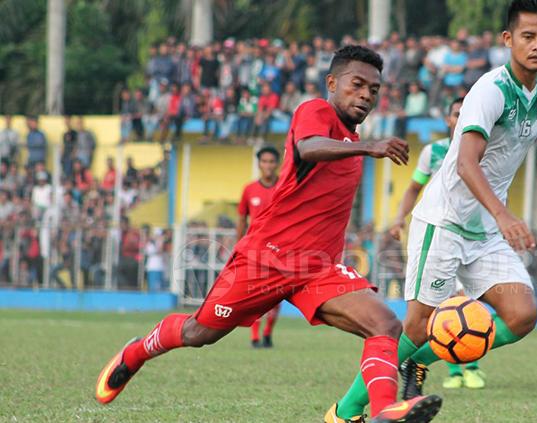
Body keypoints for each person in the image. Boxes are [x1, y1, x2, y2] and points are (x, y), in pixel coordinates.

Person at [96, 45, 442, 423]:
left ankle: (382, 413)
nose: (365, 95)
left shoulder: (351, 141)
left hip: (318, 269)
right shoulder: (315, 111)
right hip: (267, 258)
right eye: (356, 84)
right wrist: (368, 147)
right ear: (331, 83)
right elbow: (307, 148)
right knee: (199, 333)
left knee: (385, 325)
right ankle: (135, 353)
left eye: (373, 90)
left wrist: (361, 147)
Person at [334, 0, 537, 418]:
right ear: (508, 40)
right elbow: (466, 163)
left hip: (484, 230)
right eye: (528, 36)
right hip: (445, 222)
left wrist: (497, 216)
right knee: (415, 327)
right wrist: (504, 215)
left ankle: (420, 360)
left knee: (522, 314)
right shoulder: (491, 91)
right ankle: (344, 413)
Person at [390, 97, 487, 390]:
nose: (460, 119)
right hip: (437, 233)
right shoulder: (433, 153)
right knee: (440, 308)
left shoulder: (486, 149)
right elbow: (413, 188)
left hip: (471, 237)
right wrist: (398, 219)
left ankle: (466, 368)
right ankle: (458, 371)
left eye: (466, 114)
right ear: (448, 120)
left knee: (465, 303)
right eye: (457, 114)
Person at [236, 146, 281, 348]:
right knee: (255, 292)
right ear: (259, 164)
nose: (268, 166)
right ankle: (255, 337)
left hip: (281, 248)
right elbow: (241, 219)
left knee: (277, 293)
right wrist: (239, 246)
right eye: (264, 161)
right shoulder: (249, 189)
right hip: (255, 249)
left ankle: (268, 332)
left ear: (277, 164)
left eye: (271, 162)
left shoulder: (285, 186)